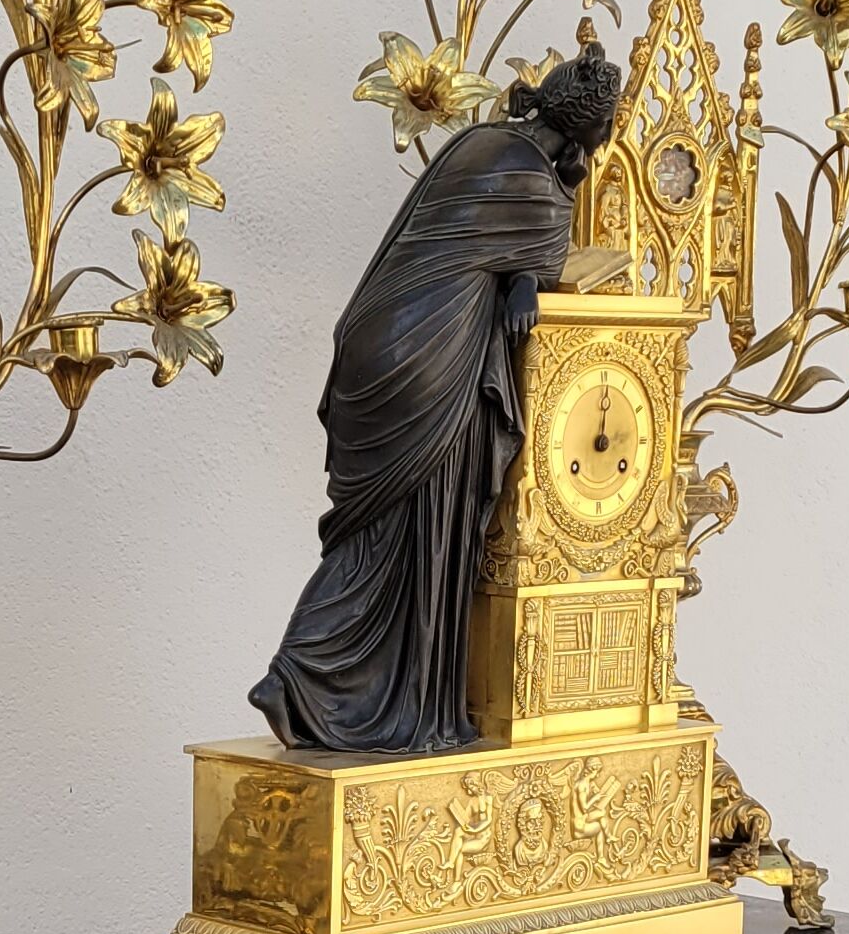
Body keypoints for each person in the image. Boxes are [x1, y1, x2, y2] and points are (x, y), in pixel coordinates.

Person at [249, 42, 624, 756]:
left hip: (376, 346)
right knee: (408, 539)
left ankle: (311, 678)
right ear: (587, 133)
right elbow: (545, 250)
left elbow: (504, 255)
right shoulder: (532, 184)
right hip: (428, 365)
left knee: (375, 536)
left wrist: (516, 279)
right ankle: (307, 675)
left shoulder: (482, 142)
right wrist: (525, 276)